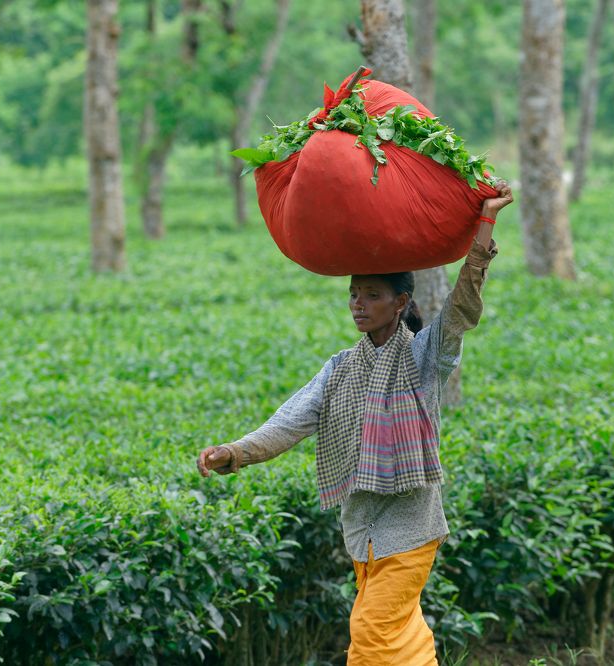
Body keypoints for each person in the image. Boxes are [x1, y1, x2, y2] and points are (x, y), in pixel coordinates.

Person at [196, 181, 514, 665]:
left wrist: (486, 223)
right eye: (353, 294)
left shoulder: (424, 357)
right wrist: (235, 452)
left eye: (372, 295)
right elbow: (290, 421)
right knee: (399, 637)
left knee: (371, 636)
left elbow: (462, 308)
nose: (358, 304)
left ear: (400, 303)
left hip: (409, 530)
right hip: (361, 533)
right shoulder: (340, 368)